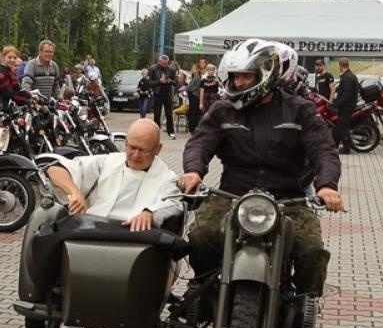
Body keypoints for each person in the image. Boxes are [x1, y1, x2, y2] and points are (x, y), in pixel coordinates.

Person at [179, 40, 343, 300]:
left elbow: (324, 150)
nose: (239, 82)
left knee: (311, 250)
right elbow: (200, 142)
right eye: (235, 76)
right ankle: (203, 287)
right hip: (232, 195)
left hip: (288, 198)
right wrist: (193, 171)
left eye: (246, 76)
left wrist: (326, 186)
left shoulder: (300, 110)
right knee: (200, 235)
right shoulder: (223, 110)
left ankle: (305, 304)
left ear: (266, 75)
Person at [44, 119, 179, 231]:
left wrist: (150, 213)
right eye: (131, 147)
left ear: (158, 149)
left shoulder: (167, 178)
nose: (136, 155)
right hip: (91, 228)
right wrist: (74, 191)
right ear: (125, 143)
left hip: (135, 236)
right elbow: (55, 170)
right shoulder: (108, 162)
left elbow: (172, 203)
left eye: (143, 150)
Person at [146, 53, 179, 138]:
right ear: (159, 62)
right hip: (157, 94)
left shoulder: (171, 70)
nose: (165, 65)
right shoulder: (153, 69)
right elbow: (149, 83)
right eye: (163, 63)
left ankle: (171, 132)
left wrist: (169, 81)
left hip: (168, 94)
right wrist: (159, 81)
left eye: (166, 63)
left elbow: (176, 83)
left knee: (169, 114)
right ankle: (156, 132)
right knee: (157, 114)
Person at [332, 59, 360, 153]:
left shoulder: (347, 77)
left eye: (339, 66)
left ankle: (346, 149)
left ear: (341, 65)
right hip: (348, 105)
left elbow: (346, 93)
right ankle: (334, 146)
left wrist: (337, 103)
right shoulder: (350, 76)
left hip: (346, 106)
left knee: (343, 127)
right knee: (339, 126)